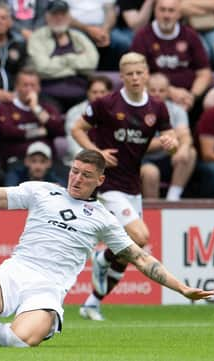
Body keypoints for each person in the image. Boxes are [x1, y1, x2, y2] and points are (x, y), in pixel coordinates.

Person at [0, 149, 214, 347]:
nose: (76, 179)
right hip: (16, 270)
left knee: (20, 341)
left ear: (100, 180)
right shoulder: (41, 192)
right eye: (74, 171)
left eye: (86, 175)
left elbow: (140, 258)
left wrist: (181, 288)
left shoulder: (104, 219)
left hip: (47, 288)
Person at [71, 52, 178, 321]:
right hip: (109, 185)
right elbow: (77, 129)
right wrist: (96, 154)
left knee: (130, 251)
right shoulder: (106, 103)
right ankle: (103, 260)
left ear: (146, 75)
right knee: (140, 238)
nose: (134, 78)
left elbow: (170, 135)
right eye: (129, 74)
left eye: (139, 73)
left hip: (133, 186)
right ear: (121, 76)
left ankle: (92, 303)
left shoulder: (157, 108)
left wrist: (172, 142)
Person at [130, 0, 211, 113]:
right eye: (162, 10)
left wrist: (192, 96)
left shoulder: (190, 35)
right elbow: (137, 72)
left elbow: (204, 73)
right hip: (154, 96)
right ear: (155, 12)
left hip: (189, 97)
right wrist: (169, 92)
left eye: (171, 11)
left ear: (179, 14)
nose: (166, 15)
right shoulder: (142, 36)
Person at [27, 0, 99, 111]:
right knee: (54, 122)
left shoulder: (78, 37)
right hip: (49, 95)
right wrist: (73, 63)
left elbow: (92, 63)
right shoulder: (37, 38)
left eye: (63, 14)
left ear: (69, 17)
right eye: (55, 14)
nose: (59, 18)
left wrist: (57, 62)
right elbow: (42, 68)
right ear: (47, 17)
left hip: (81, 94)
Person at [141, 73, 196, 201]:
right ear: (146, 91)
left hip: (168, 156)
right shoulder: (137, 110)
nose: (157, 94)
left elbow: (186, 136)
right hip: (143, 160)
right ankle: (152, 210)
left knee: (190, 152)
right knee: (151, 173)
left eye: (161, 90)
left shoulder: (177, 110)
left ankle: (173, 198)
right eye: (153, 90)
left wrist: (183, 148)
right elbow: (141, 145)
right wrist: (171, 137)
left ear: (168, 92)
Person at [0, 67, 64, 167]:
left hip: (47, 163)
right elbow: (8, 132)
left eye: (33, 85)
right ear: (17, 87)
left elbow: (59, 129)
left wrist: (35, 108)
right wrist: (41, 131)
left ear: (39, 87)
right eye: (25, 85)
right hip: (17, 161)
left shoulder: (47, 107)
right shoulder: (5, 108)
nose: (29, 89)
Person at [64, 75, 113, 165]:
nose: (98, 96)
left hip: (111, 161)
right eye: (94, 92)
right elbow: (73, 144)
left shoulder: (118, 112)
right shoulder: (74, 112)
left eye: (103, 92)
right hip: (80, 161)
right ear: (88, 93)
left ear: (110, 93)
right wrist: (93, 160)